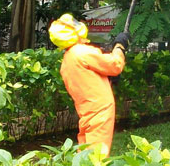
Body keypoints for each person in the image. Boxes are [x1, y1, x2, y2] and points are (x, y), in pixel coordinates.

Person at [48, 13, 130, 157]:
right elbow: (115, 64)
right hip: (101, 112)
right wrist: (119, 46)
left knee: (84, 153)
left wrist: (107, 79)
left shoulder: (67, 61)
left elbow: (89, 80)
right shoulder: (82, 52)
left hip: (86, 114)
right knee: (97, 157)